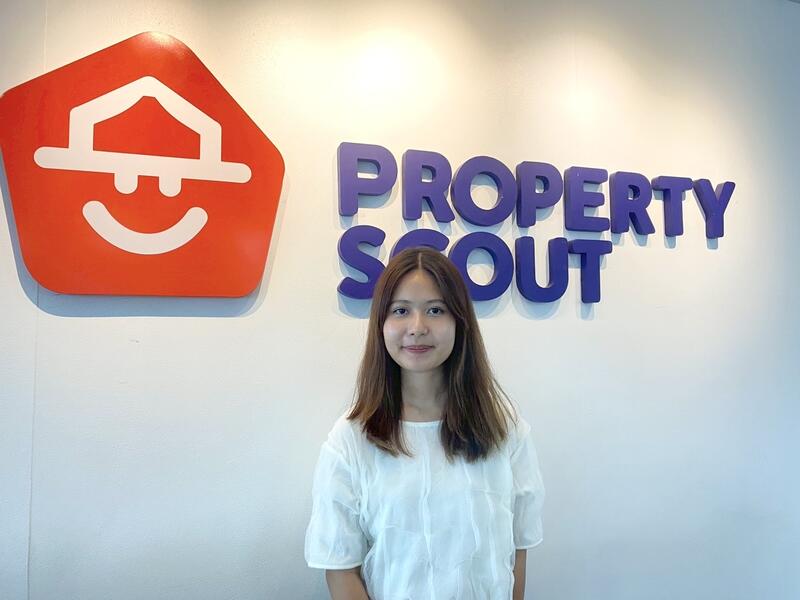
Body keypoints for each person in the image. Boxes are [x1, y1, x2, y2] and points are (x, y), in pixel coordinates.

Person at [305, 247, 545, 600]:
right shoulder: (352, 438)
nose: (417, 328)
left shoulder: (503, 427)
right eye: (401, 310)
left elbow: (517, 550)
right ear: (381, 324)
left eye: (435, 310)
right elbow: (341, 568)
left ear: (460, 321)